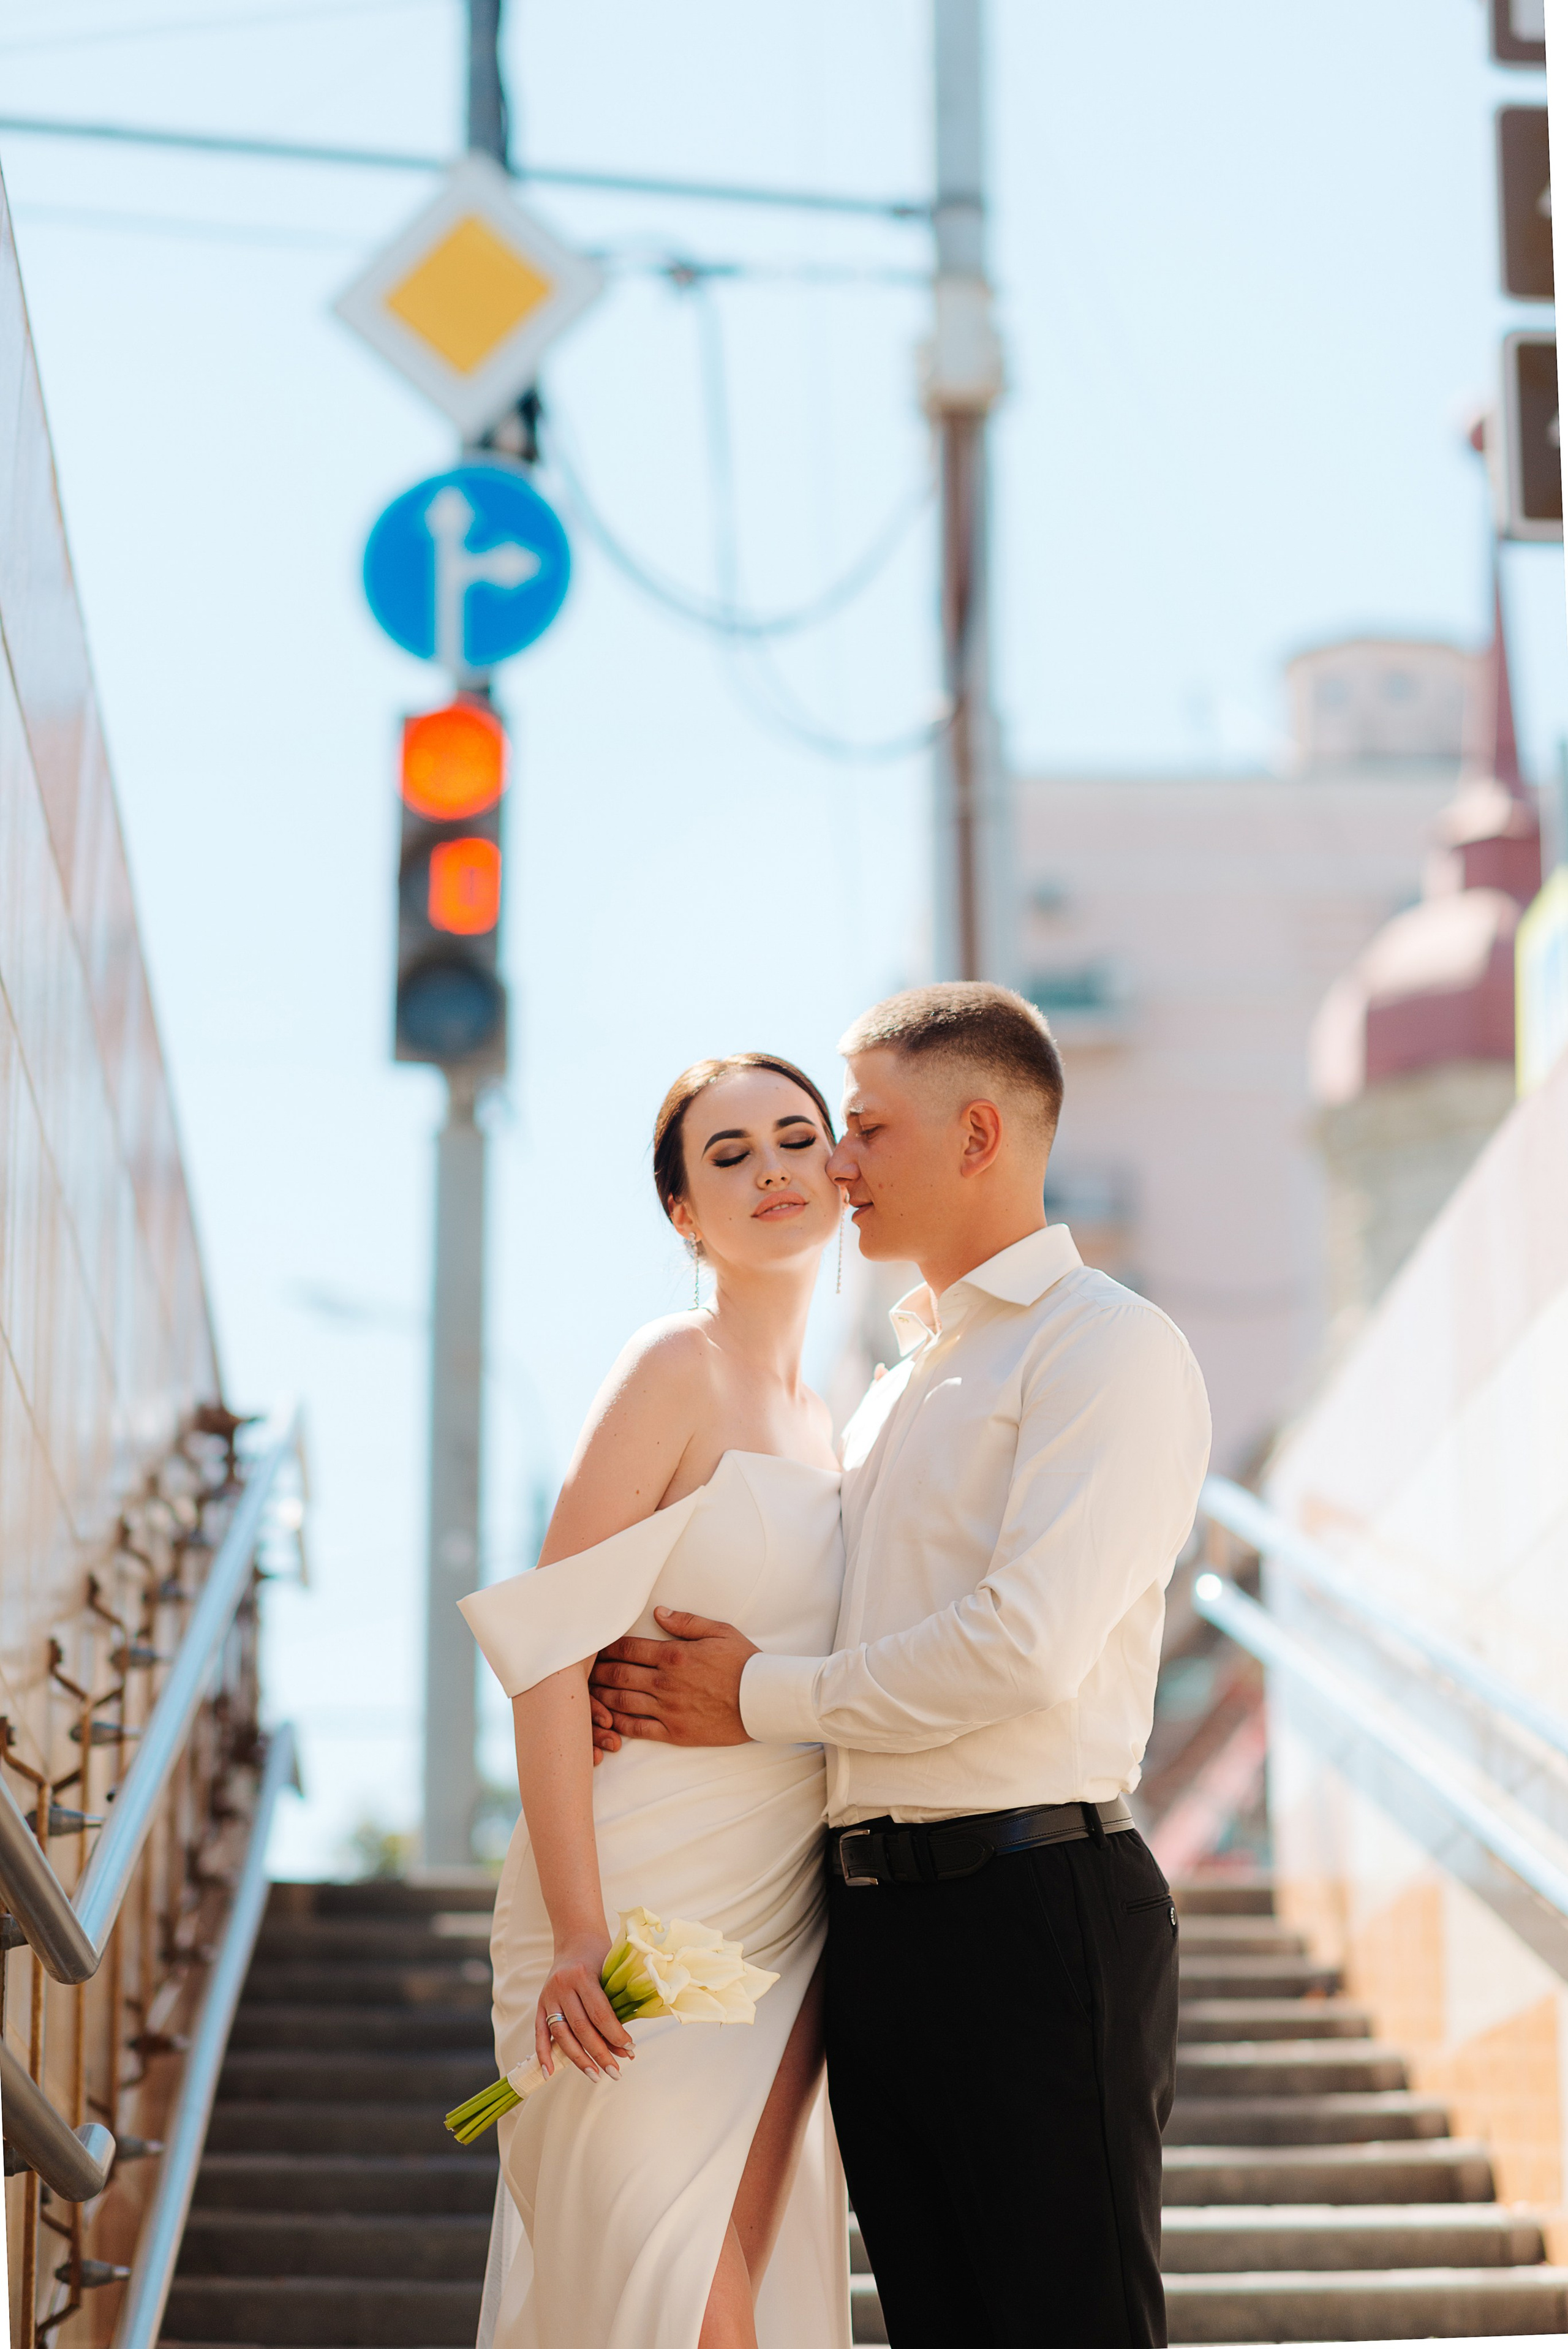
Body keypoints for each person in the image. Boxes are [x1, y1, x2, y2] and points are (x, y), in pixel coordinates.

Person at [590, 982, 1213, 2349]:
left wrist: (750, 1695)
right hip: (872, 1932)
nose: (836, 1160)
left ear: (977, 1134)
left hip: (1033, 1903)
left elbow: (1021, 1645)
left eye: (865, 1126)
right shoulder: (890, 1383)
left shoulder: (1105, 1344)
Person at [458, 1052, 853, 2349]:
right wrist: (579, 1933)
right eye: (728, 1156)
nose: (772, 1169)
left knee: (730, 2298)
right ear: (685, 1213)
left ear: (841, 1169)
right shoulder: (673, 1365)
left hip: (780, 1921)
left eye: (795, 1137)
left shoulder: (841, 1425)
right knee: (672, 2305)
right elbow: (546, 1649)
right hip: (621, 1907)